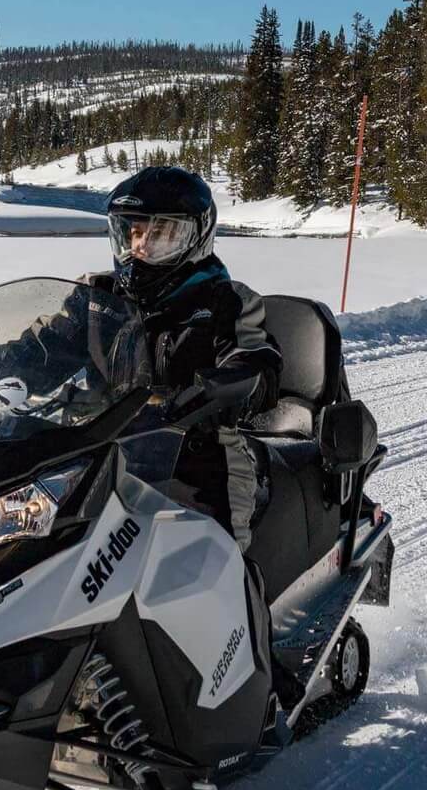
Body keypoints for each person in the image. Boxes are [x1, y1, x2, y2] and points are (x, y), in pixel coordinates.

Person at [93, 166, 284, 553]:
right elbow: (42, 344)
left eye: (159, 234)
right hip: (101, 449)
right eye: (134, 232)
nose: (142, 247)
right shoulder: (100, 297)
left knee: (215, 560)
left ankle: (246, 608)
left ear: (194, 237)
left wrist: (230, 384)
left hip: (197, 454)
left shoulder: (225, 301)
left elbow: (255, 357)